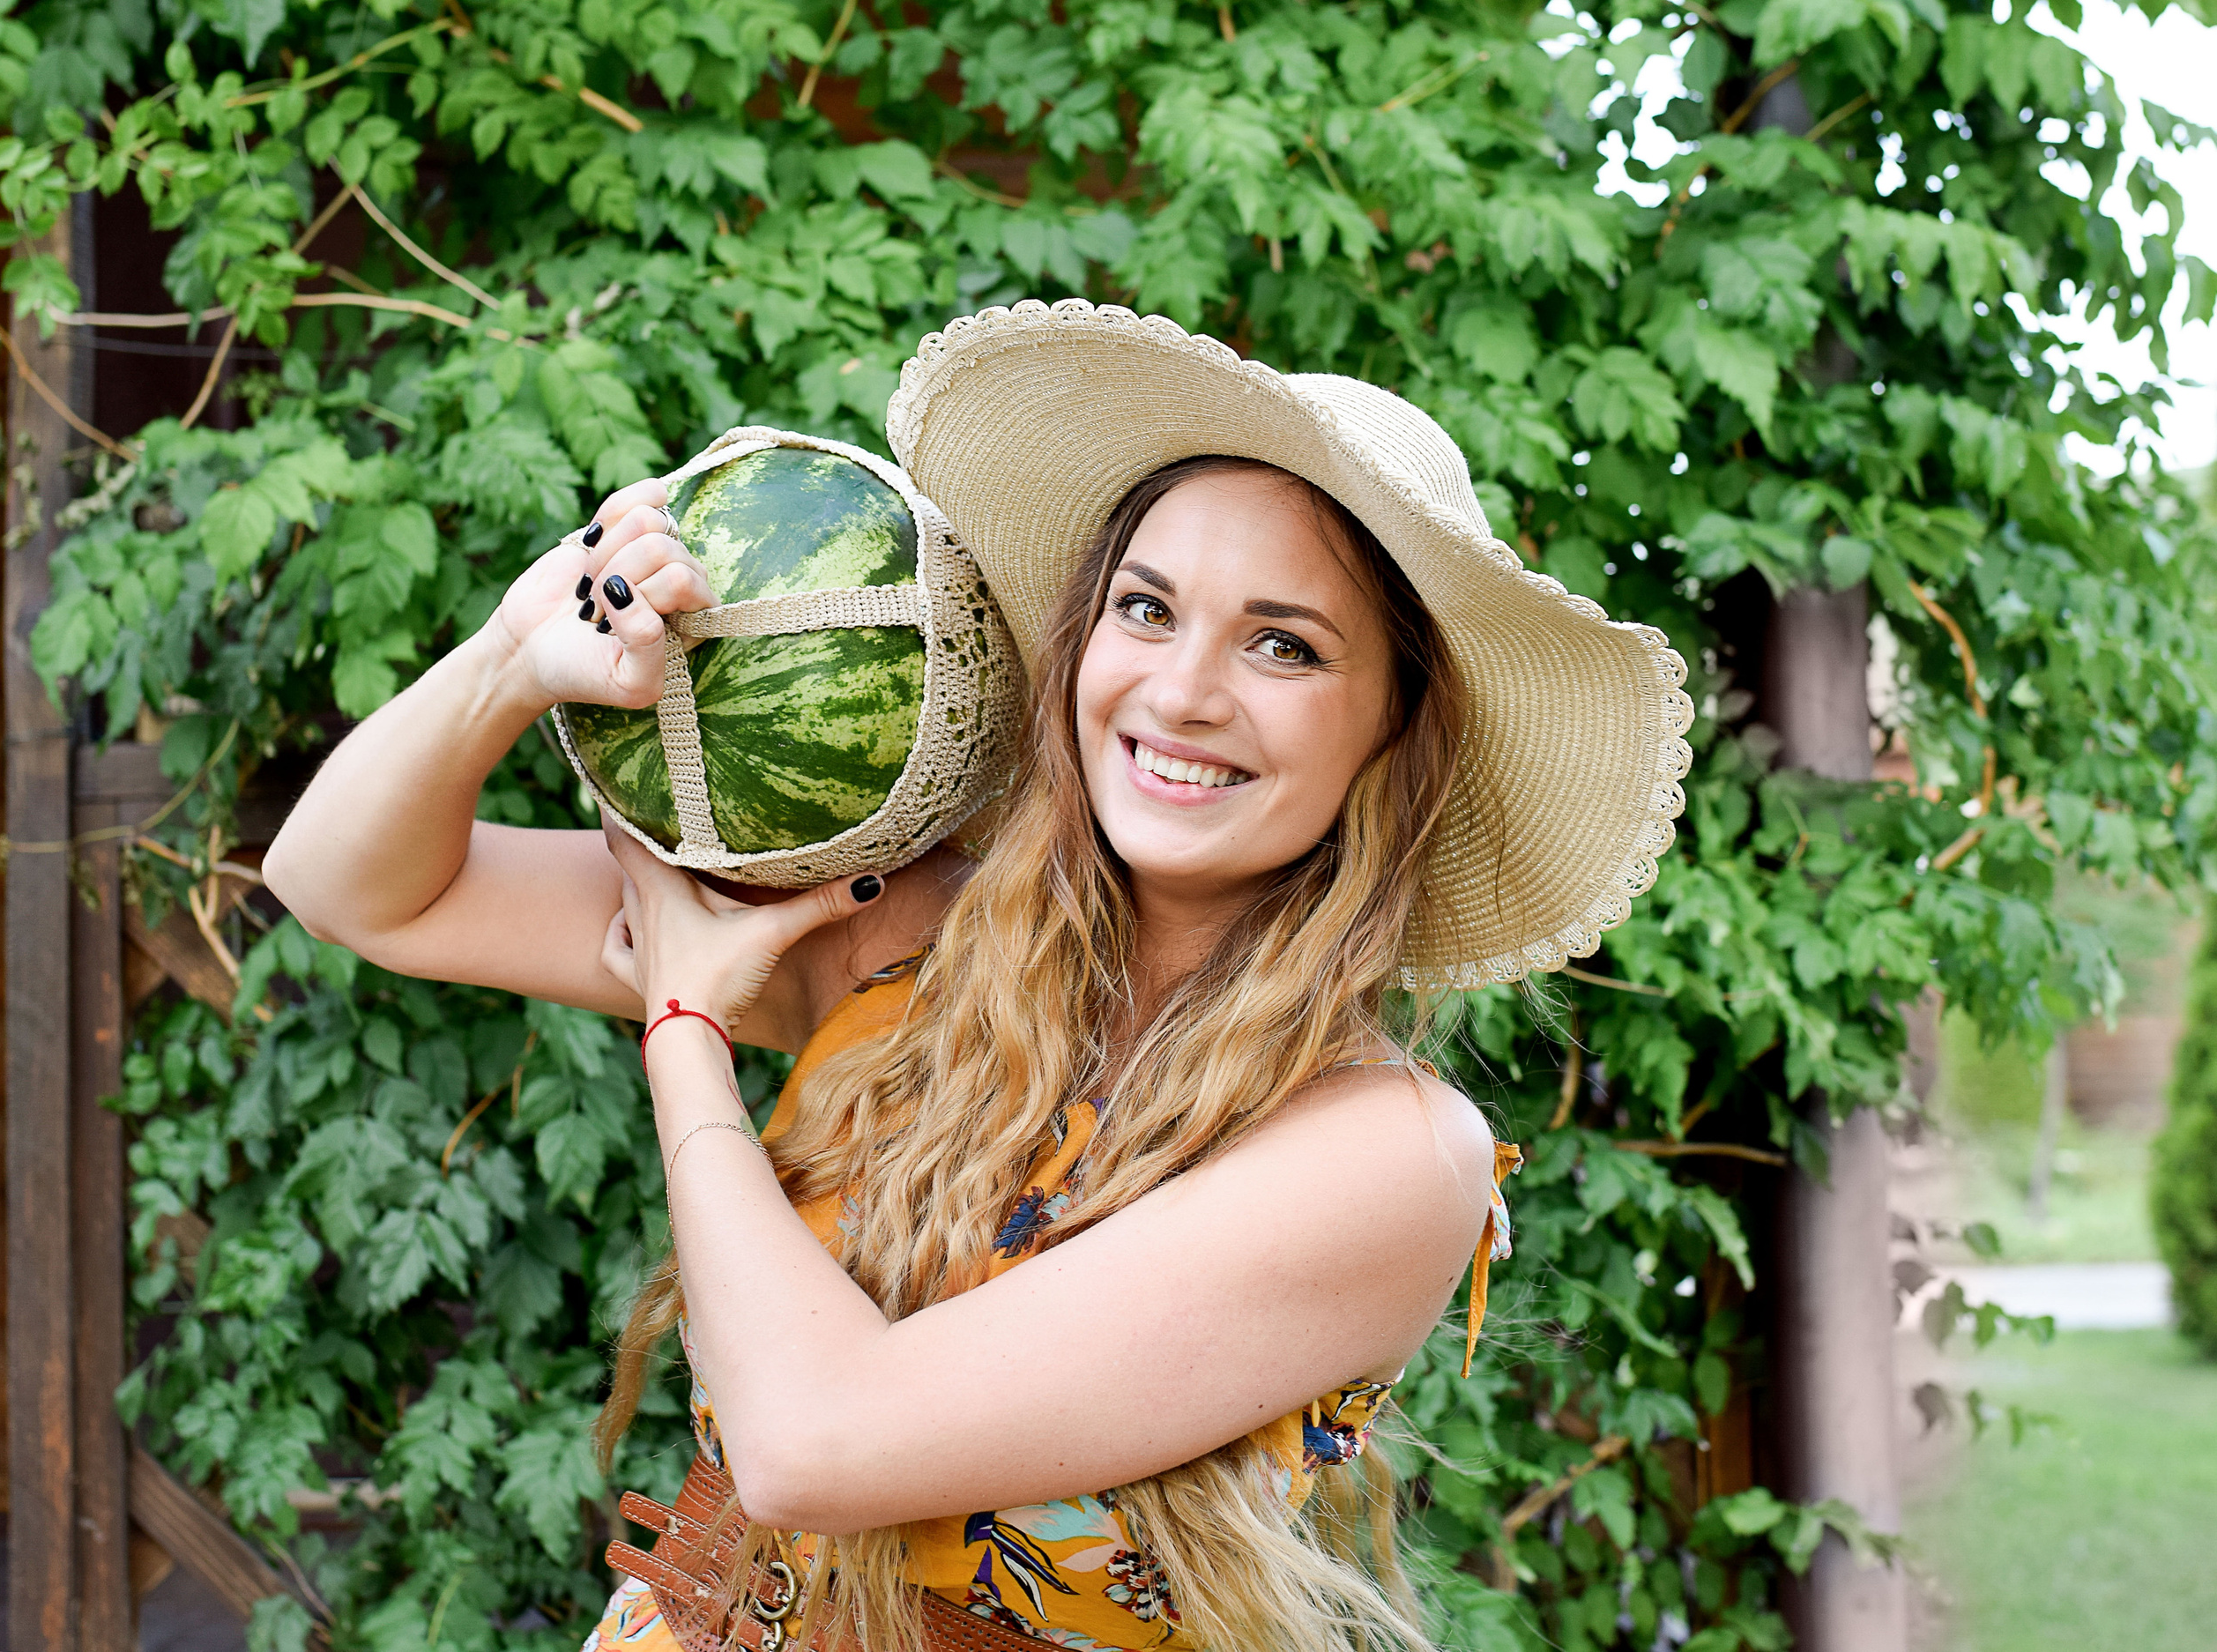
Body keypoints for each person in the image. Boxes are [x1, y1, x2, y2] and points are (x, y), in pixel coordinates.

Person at [265, 299, 1691, 1652]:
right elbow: (352, 887)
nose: (1185, 689)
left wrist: (685, 1026)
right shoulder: (909, 935)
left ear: (1395, 729)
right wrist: (512, 658)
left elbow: (814, 1441)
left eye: (1283, 644)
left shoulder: (1385, 1150)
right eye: (1146, 608)